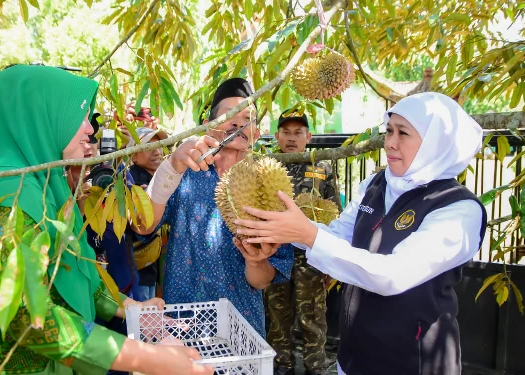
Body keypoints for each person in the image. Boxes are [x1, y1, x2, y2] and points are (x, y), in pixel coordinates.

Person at [0, 64, 213, 375]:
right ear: (36, 121)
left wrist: (129, 308)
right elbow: (34, 319)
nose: (89, 129)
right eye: (77, 117)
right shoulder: (4, 206)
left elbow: (74, 269)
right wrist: (152, 359)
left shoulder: (45, 190)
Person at [234, 92, 488, 375]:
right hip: (355, 355)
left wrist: (306, 234)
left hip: (413, 362)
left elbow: (393, 274)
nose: (390, 142)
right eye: (389, 130)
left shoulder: (459, 210)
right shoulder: (376, 185)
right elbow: (338, 235)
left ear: (435, 143)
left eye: (403, 133)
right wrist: (282, 229)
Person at [134, 78, 294, 338]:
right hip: (183, 324)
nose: (237, 123)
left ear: (257, 132)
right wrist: (171, 166)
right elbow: (144, 224)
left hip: (243, 328)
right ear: (208, 126)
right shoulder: (185, 173)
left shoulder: (270, 184)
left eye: (247, 118)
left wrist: (256, 260)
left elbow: (262, 280)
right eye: (229, 115)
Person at [265, 109, 339, 375]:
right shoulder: (268, 166)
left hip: (311, 255)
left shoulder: (322, 167)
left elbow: (334, 213)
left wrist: (330, 260)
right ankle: (281, 364)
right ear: (277, 136)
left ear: (308, 136)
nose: (292, 138)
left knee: (312, 315)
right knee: (277, 314)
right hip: (275, 253)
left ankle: (315, 365)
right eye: (286, 132)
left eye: (298, 132)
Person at [128, 127, 169, 302]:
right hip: (138, 270)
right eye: (147, 148)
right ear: (133, 156)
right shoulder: (132, 181)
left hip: (151, 269)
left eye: (158, 146)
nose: (156, 152)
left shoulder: (159, 179)